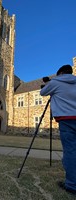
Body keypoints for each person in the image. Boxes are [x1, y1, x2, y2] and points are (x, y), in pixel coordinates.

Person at [40, 64, 76, 195]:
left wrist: (49, 83)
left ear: (60, 74)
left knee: (71, 151)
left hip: (67, 119)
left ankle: (72, 184)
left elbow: (42, 92)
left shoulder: (56, 82)